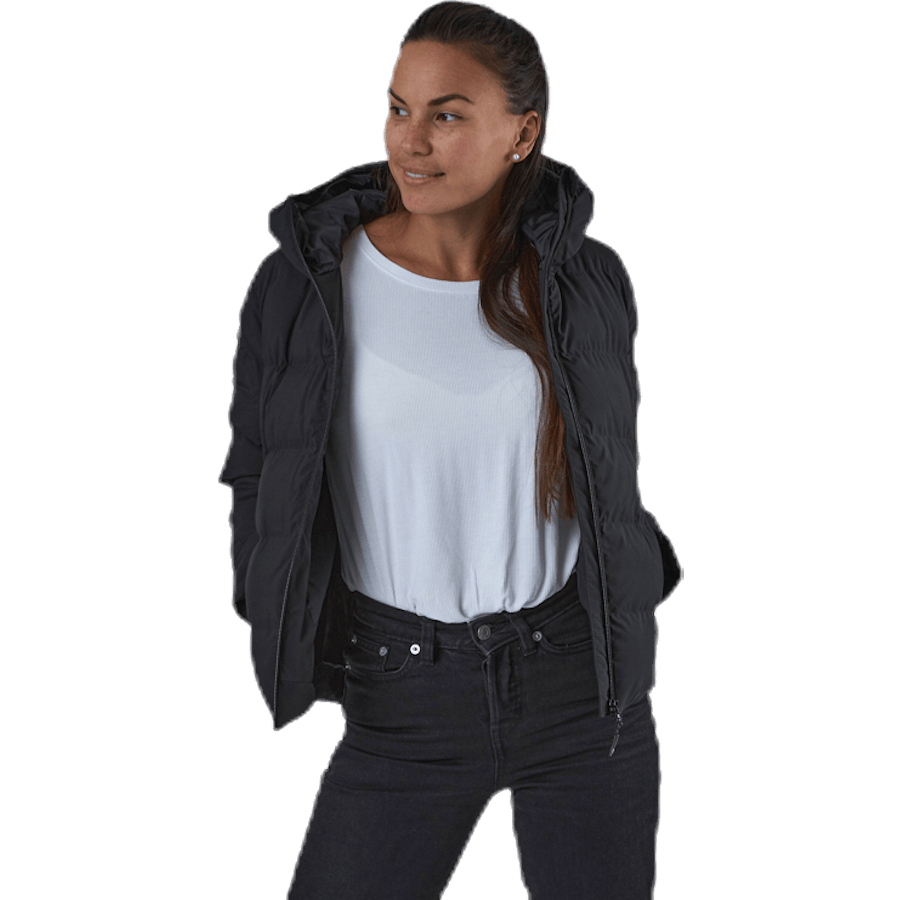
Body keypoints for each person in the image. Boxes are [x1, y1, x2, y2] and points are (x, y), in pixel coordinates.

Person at [216, 2, 684, 897]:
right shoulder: (305, 283)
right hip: (401, 693)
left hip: (579, 686)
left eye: (448, 114)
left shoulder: (587, 277)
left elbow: (610, 471)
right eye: (398, 109)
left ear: (523, 134)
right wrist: (271, 597)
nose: (411, 140)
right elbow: (255, 467)